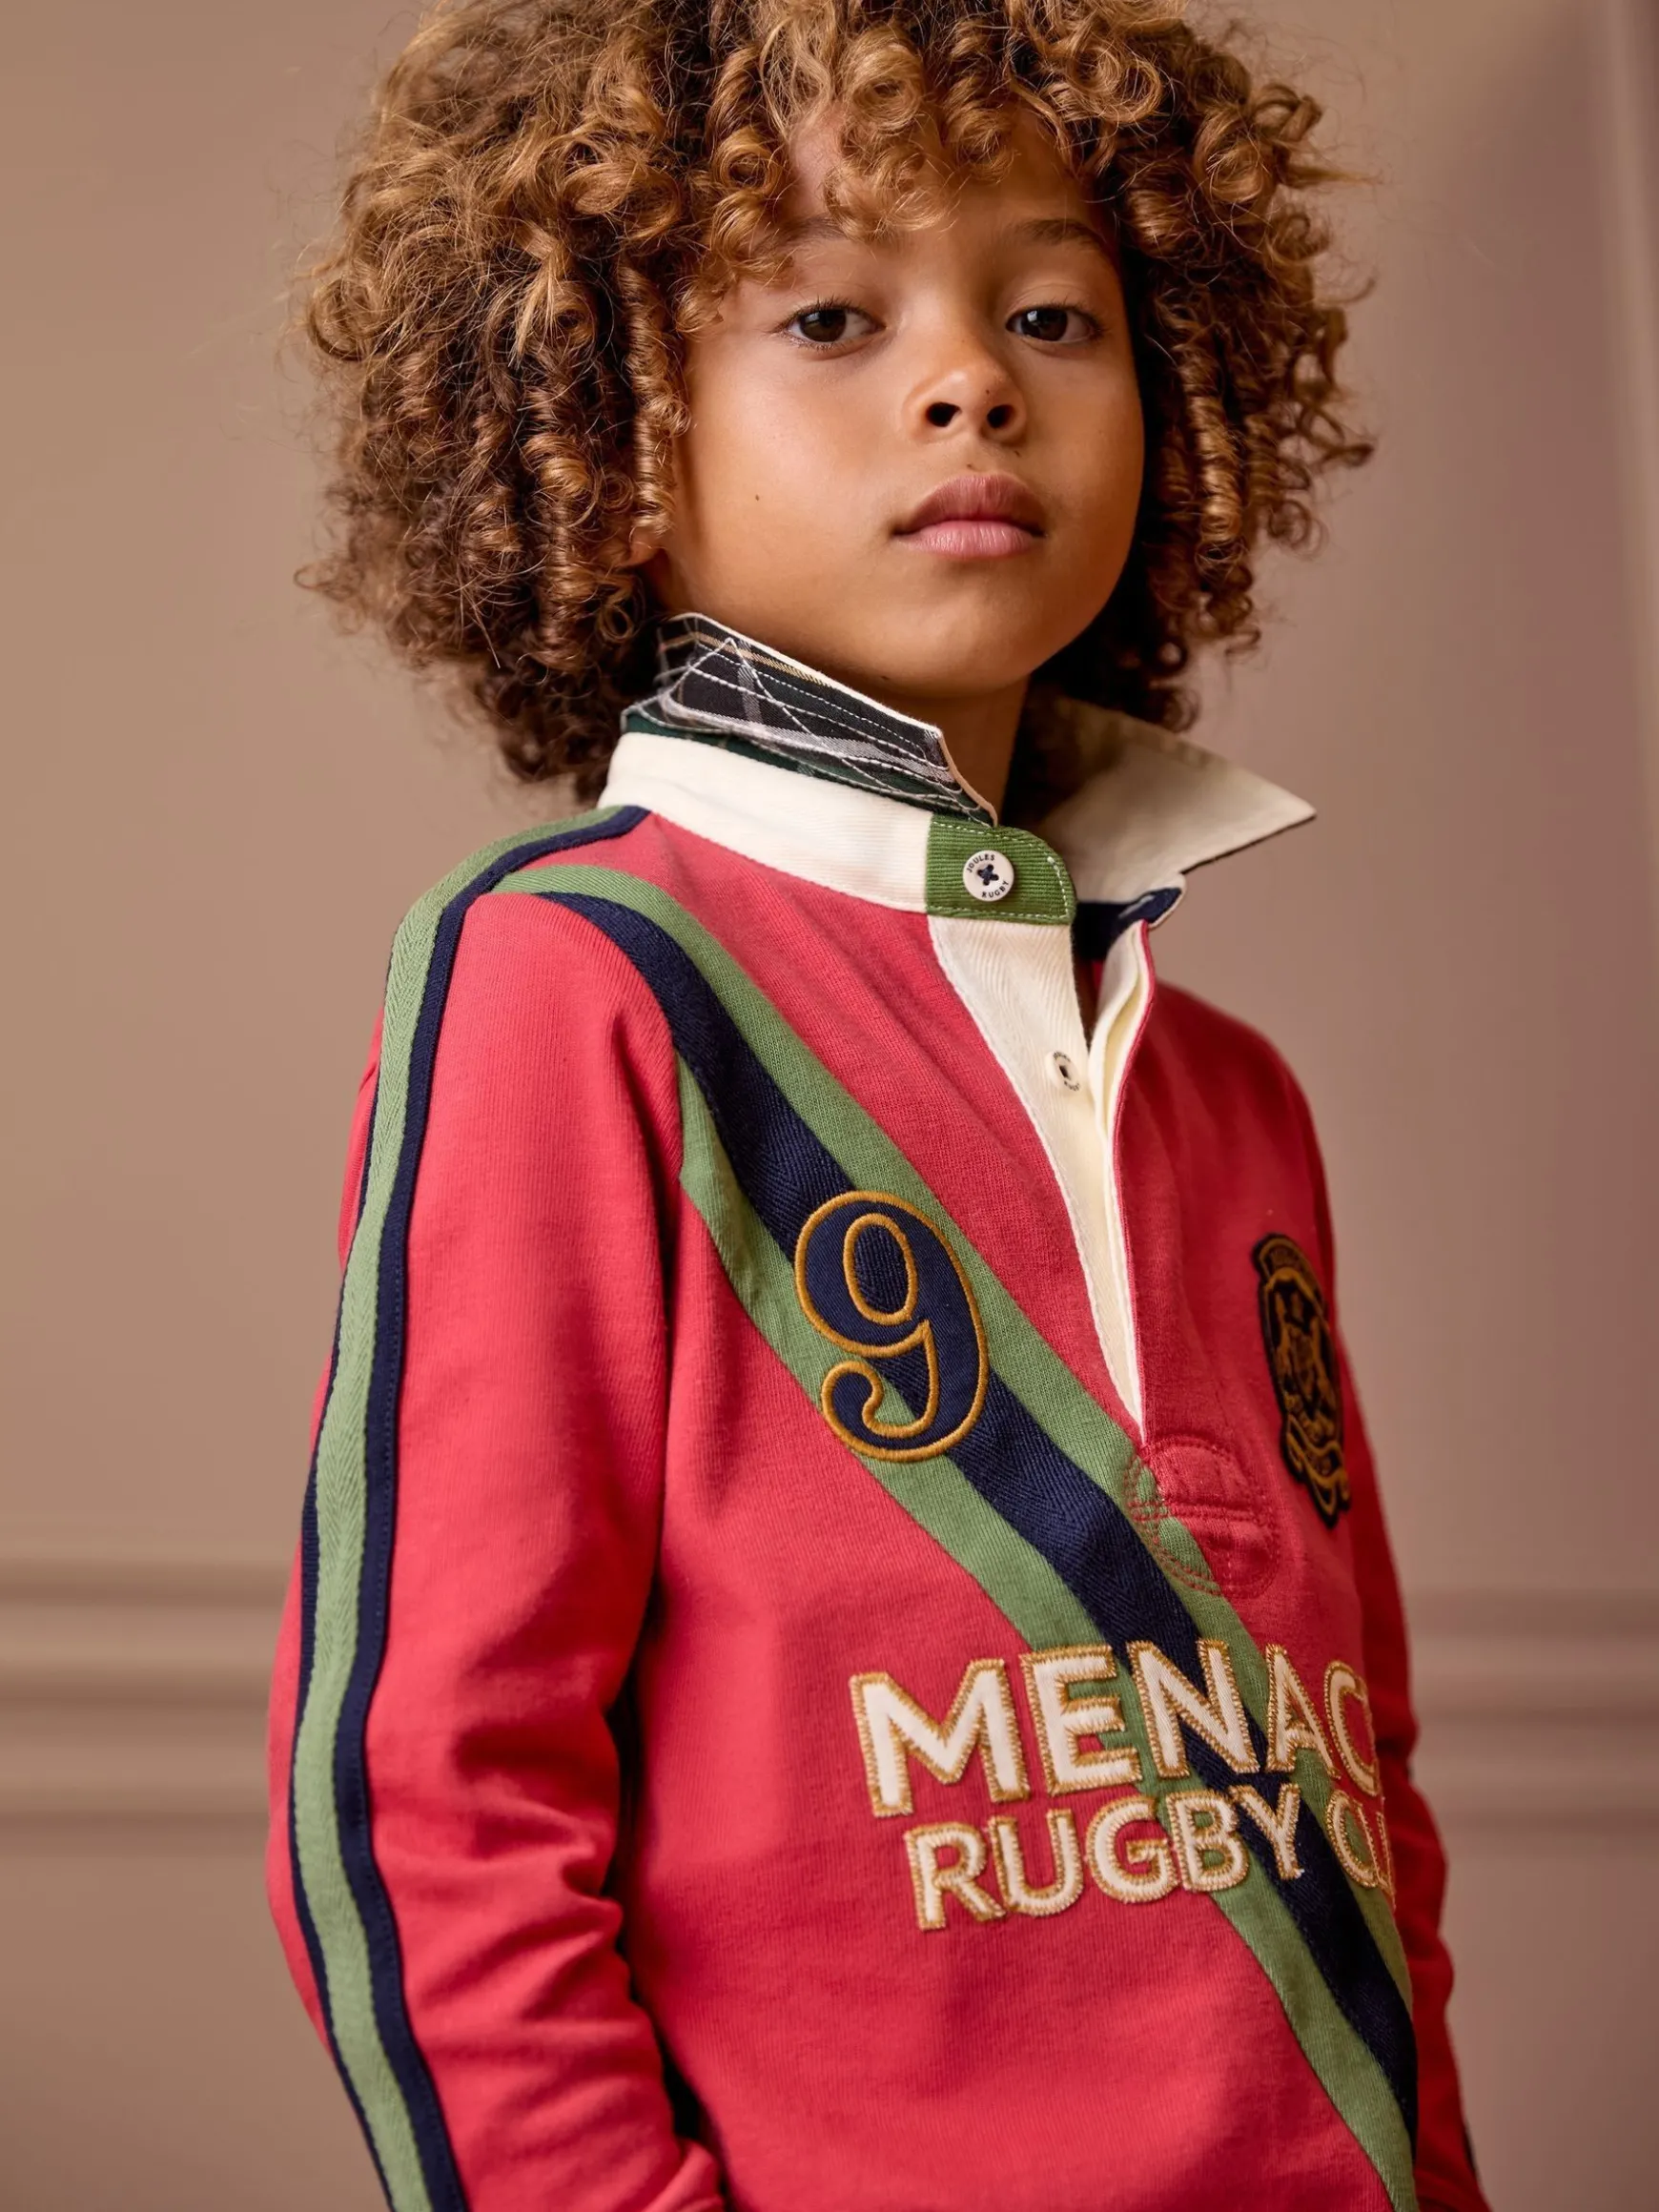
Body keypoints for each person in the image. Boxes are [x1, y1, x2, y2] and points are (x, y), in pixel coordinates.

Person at [266, 4, 1488, 2208]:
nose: (971, 381)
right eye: (832, 315)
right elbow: (434, 1800)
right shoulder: (573, 982)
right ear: (607, 437)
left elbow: (1364, 1786)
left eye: (1053, 313)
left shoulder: (1240, 1096)